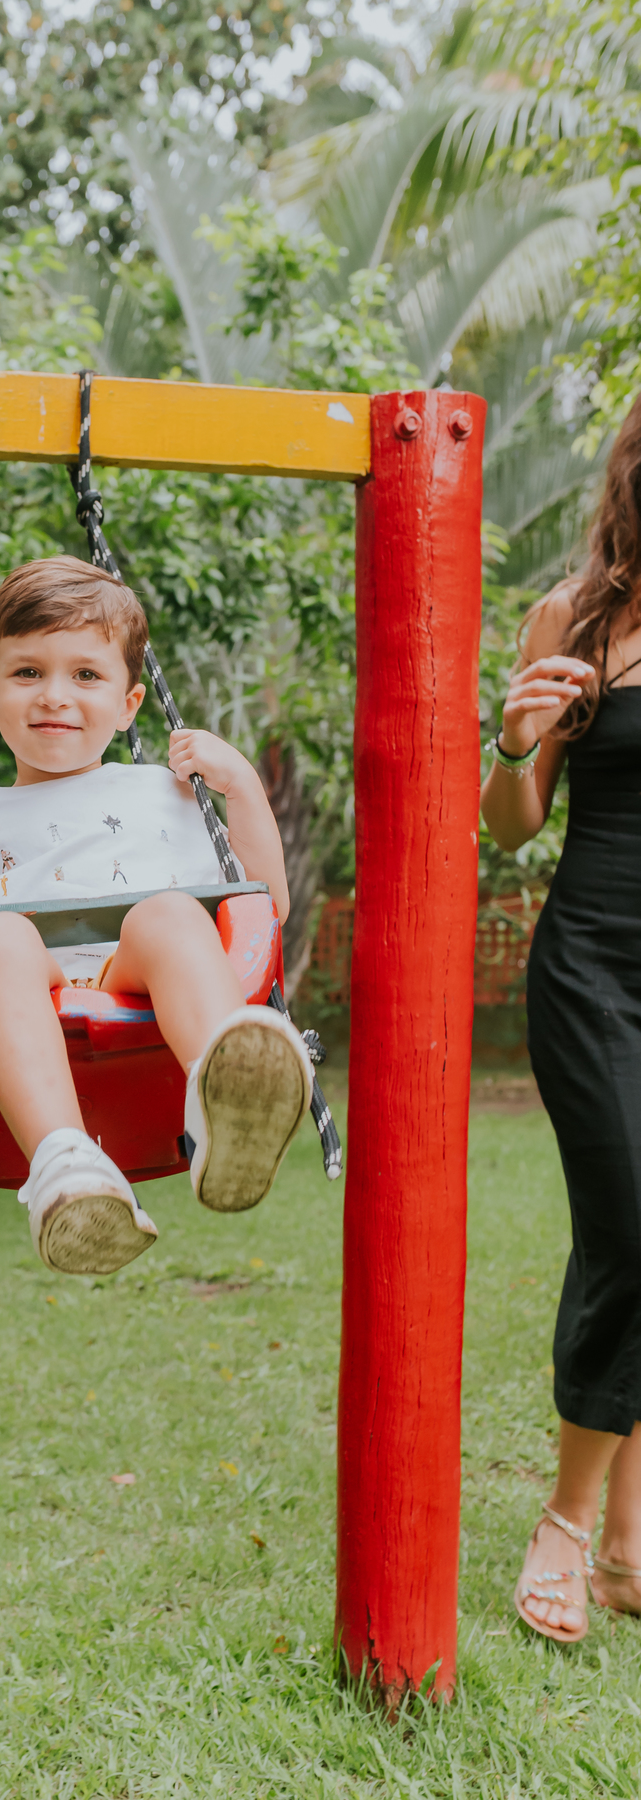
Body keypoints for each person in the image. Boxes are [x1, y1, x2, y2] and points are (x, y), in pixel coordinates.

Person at [0, 555, 313, 1277]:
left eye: (85, 675)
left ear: (128, 705)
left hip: (138, 1004)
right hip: (7, 1015)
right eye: (28, 673)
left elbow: (262, 907)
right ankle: (65, 1165)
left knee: (170, 916)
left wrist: (240, 788)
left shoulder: (169, 794)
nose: (55, 695)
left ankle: (226, 1088)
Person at [482, 398, 641, 1644]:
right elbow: (512, 823)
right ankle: (569, 1520)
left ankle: (630, 1550)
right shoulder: (574, 614)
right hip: (592, 959)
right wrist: (514, 737)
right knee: (627, 1217)